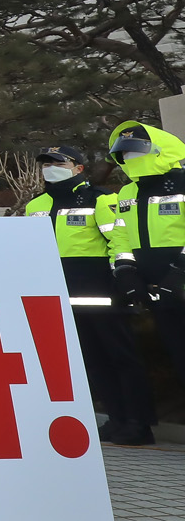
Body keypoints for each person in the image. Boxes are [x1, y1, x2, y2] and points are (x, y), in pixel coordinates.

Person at [24, 145, 154, 446]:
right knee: (93, 363)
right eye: (45, 164)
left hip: (102, 294)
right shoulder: (35, 205)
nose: (49, 168)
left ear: (78, 168)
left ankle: (139, 422)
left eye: (58, 163)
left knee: (122, 358)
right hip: (62, 296)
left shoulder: (101, 199)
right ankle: (116, 418)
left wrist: (123, 276)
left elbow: (118, 240)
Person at [98, 121, 185, 408]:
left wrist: (180, 272)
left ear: (160, 150)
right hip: (159, 291)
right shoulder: (127, 194)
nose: (129, 159)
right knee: (179, 357)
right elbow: (120, 236)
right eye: (124, 154)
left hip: (178, 280)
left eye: (136, 152)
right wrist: (125, 270)